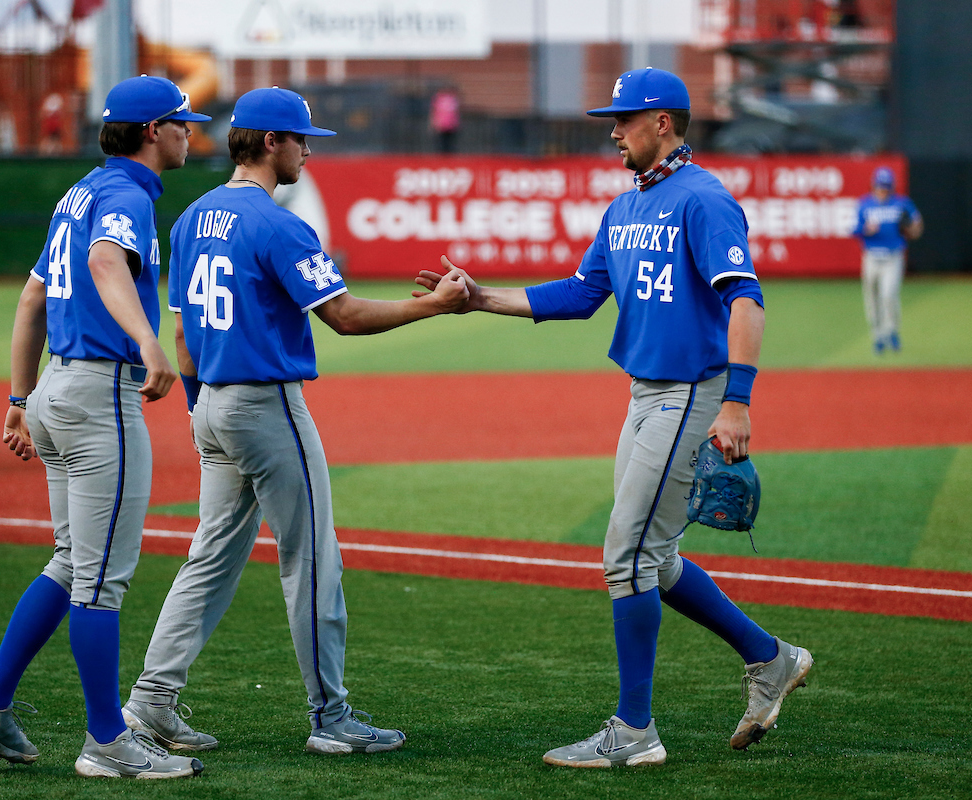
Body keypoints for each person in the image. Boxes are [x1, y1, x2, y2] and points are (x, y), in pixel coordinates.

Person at [415, 68, 813, 768]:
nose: (612, 129)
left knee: (625, 557)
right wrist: (478, 297)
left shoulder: (704, 199)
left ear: (663, 122)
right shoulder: (626, 206)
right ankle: (769, 657)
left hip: (693, 391)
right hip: (644, 393)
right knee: (652, 562)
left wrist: (739, 399)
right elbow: (578, 293)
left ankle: (634, 733)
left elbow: (744, 299)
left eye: (625, 118)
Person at [120, 87, 469, 756]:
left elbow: (186, 332)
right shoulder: (277, 224)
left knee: (209, 558)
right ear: (271, 142)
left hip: (215, 402)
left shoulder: (192, 216)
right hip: (265, 404)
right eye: (302, 139)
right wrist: (435, 306)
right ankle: (330, 718)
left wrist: (201, 411)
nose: (310, 150)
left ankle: (151, 704)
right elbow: (343, 316)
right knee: (311, 559)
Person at [0, 75, 211, 780]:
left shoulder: (81, 193)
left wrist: (18, 396)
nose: (191, 133)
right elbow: (103, 263)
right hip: (101, 397)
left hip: (56, 392)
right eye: (183, 124)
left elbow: (34, 294)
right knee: (100, 581)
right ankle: (106, 742)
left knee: (70, 565)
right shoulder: (124, 195)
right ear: (153, 130)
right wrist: (149, 342)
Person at [854, 166, 923, 354]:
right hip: (871, 257)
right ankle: (878, 336)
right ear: (874, 185)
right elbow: (854, 229)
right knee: (872, 299)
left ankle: (891, 330)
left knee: (888, 295)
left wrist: (911, 229)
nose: (883, 190)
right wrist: (865, 230)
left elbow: (917, 226)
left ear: (892, 186)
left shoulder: (902, 204)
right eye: (880, 186)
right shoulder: (865, 204)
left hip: (893, 257)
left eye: (886, 186)